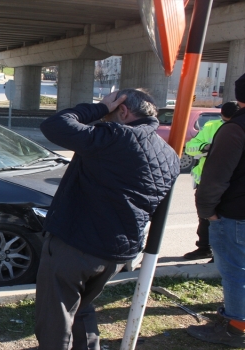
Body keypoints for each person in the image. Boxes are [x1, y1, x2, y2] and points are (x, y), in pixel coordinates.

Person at [35, 89, 180, 349]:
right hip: (116, 253)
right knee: (82, 307)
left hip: (76, 245)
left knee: (55, 317)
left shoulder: (116, 136)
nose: (102, 120)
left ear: (122, 111)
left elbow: (55, 126)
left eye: (109, 114)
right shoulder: (169, 155)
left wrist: (98, 108)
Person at [187, 73, 245, 348]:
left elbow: (216, 175)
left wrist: (207, 210)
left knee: (235, 271)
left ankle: (235, 327)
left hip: (235, 215)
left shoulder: (235, 129)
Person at [183, 101, 240, 260]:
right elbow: (190, 147)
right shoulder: (211, 126)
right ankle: (204, 248)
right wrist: (205, 148)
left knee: (225, 220)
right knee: (205, 217)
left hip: (228, 183)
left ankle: (219, 253)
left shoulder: (238, 128)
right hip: (207, 180)